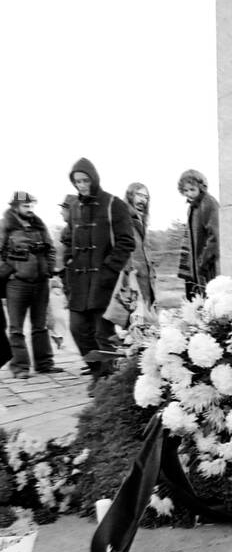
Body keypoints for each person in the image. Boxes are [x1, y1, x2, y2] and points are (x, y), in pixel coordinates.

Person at [60, 158, 135, 385]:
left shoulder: (114, 204)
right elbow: (69, 239)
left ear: (94, 178)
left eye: (85, 180)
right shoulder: (74, 207)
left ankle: (107, 379)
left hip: (104, 283)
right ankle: (96, 371)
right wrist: (69, 262)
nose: (81, 185)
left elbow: (126, 242)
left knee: (103, 334)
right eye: (77, 182)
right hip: (80, 282)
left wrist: (108, 270)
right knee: (77, 329)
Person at [0, 191, 57, 377]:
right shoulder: (5, 226)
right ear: (15, 207)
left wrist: (48, 269)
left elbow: (51, 249)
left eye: (32, 206)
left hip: (40, 283)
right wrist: (10, 271)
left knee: (40, 325)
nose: (30, 209)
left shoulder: (39, 226)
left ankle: (45, 364)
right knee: (16, 328)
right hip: (17, 284)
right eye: (26, 206)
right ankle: (20, 367)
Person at [177, 169, 219, 301]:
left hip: (208, 265)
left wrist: (203, 261)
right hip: (196, 266)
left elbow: (215, 236)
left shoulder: (208, 203)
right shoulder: (192, 207)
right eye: (186, 190)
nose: (189, 193)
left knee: (211, 301)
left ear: (201, 187)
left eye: (192, 189)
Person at [125, 182, 157, 309]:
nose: (143, 200)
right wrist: (130, 274)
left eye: (146, 197)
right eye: (139, 195)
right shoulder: (124, 219)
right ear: (130, 195)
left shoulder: (141, 221)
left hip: (145, 279)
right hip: (132, 279)